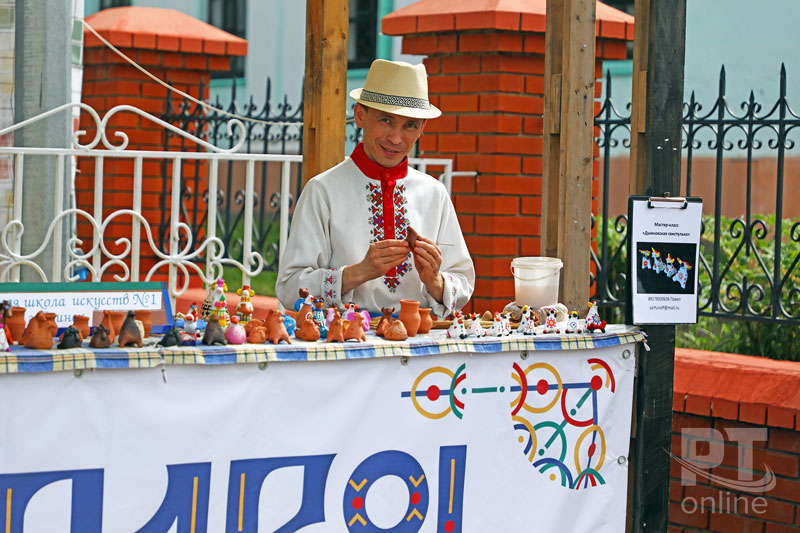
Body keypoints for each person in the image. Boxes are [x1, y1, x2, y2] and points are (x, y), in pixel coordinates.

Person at [276, 59, 474, 318]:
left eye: (410, 125)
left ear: (422, 128)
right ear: (360, 115)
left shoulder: (434, 193)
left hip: (419, 346)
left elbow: (463, 281)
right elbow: (290, 288)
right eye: (386, 120)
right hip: (345, 345)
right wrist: (357, 272)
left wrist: (435, 281)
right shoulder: (322, 190)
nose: (395, 138)